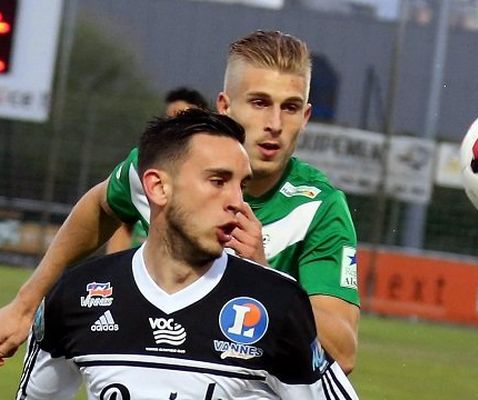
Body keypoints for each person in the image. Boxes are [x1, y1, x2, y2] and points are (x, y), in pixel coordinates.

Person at [0, 30, 360, 373]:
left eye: (291, 107)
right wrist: (24, 305)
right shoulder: (168, 167)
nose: (275, 123)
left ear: (306, 117)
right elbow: (99, 204)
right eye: (259, 102)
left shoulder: (318, 209)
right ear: (224, 106)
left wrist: (263, 277)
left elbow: (342, 354)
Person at [15, 109, 359, 399]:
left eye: (241, 185)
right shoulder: (74, 296)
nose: (237, 202)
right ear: (158, 187)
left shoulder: (278, 304)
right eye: (218, 181)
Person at [105, 86, 210, 254]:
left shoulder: (208, 182)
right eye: (171, 116)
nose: (176, 122)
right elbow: (121, 224)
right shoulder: (141, 168)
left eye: (184, 116)